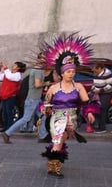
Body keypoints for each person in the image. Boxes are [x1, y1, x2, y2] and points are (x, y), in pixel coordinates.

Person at [39, 35, 92, 178]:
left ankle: (52, 164)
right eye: (68, 71)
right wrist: (45, 110)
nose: (71, 74)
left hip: (72, 119)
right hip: (57, 117)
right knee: (58, 140)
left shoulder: (79, 86)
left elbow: (87, 103)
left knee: (61, 141)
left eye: (73, 71)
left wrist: (89, 113)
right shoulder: (54, 88)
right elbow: (45, 103)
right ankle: (55, 168)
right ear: (62, 73)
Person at [2, 57, 45, 143]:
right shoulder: (37, 71)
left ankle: (43, 136)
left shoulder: (35, 70)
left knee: (43, 116)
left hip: (35, 98)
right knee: (26, 118)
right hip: (33, 99)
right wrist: (47, 83)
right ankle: (7, 133)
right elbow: (37, 85)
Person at [0, 62, 25, 132]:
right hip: (4, 95)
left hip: (11, 96)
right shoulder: (9, 73)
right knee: (5, 112)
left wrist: (5, 68)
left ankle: (10, 128)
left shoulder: (17, 75)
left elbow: (9, 77)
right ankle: (5, 127)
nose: (13, 66)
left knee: (9, 112)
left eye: (15, 65)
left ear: (18, 68)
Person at [90, 61, 112, 132]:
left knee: (103, 110)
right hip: (97, 94)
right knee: (97, 110)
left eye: (94, 68)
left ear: (100, 68)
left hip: (105, 94)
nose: (93, 70)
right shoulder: (95, 73)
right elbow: (94, 83)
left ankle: (102, 128)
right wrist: (93, 89)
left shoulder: (107, 73)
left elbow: (111, 85)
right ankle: (98, 126)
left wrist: (101, 90)